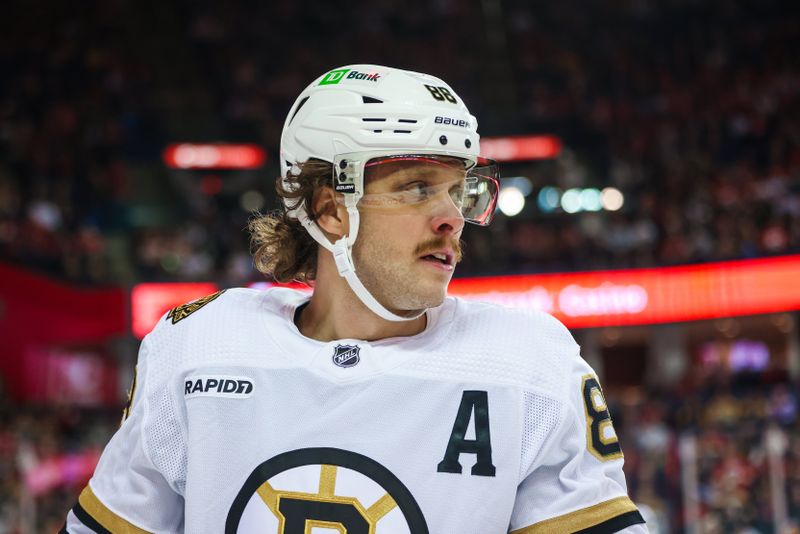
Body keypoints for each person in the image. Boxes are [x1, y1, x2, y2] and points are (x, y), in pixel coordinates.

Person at [63, 65, 647, 533]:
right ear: (330, 210)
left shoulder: (531, 364)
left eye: (458, 190)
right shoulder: (198, 347)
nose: (451, 218)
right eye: (417, 188)